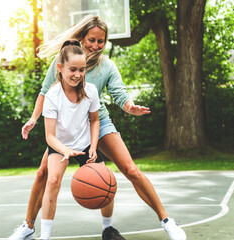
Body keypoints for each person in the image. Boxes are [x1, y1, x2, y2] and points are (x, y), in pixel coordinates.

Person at [10, 15, 187, 240]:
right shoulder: (63, 61)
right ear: (82, 38)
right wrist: (34, 118)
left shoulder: (107, 66)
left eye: (101, 41)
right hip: (69, 125)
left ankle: (164, 221)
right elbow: (45, 93)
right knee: (44, 174)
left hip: (98, 121)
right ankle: (28, 227)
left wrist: (130, 107)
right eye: (92, 40)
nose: (96, 45)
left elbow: (120, 95)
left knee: (130, 170)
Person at [40, 39, 105, 240]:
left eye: (82, 70)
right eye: (72, 69)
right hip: (60, 145)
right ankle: (45, 237)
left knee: (105, 182)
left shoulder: (91, 91)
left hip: (85, 142)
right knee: (52, 180)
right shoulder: (52, 96)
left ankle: (108, 228)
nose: (77, 75)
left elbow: (94, 120)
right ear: (60, 68)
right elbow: (50, 136)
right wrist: (65, 150)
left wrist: (93, 146)